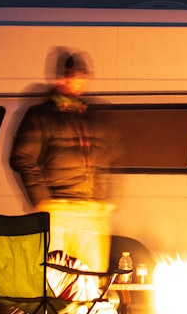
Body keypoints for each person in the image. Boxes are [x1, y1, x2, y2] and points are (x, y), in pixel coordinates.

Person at [8, 49, 115, 277]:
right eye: (74, 76)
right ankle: (57, 313)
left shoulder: (92, 116)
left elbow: (107, 158)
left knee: (92, 274)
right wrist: (43, 200)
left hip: (90, 211)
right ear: (60, 78)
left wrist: (104, 198)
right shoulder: (41, 115)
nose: (79, 82)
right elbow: (22, 157)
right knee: (56, 274)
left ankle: (87, 313)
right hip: (57, 210)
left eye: (83, 77)